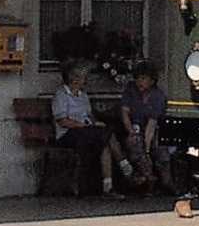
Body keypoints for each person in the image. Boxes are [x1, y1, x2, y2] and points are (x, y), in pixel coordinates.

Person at [51, 59, 133, 197]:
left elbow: (90, 115)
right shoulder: (61, 95)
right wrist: (83, 125)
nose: (86, 80)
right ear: (74, 79)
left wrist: (94, 123)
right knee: (106, 135)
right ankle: (126, 167)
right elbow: (63, 121)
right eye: (84, 77)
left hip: (85, 131)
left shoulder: (83, 95)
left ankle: (108, 186)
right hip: (68, 134)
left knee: (105, 143)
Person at [119, 60, 171, 194]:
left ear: (152, 80)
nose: (139, 82)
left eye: (143, 78)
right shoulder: (131, 90)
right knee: (134, 145)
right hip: (134, 127)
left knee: (159, 148)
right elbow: (124, 112)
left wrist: (147, 150)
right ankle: (148, 178)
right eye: (137, 78)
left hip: (154, 129)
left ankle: (168, 182)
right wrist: (131, 132)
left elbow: (152, 125)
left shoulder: (158, 96)